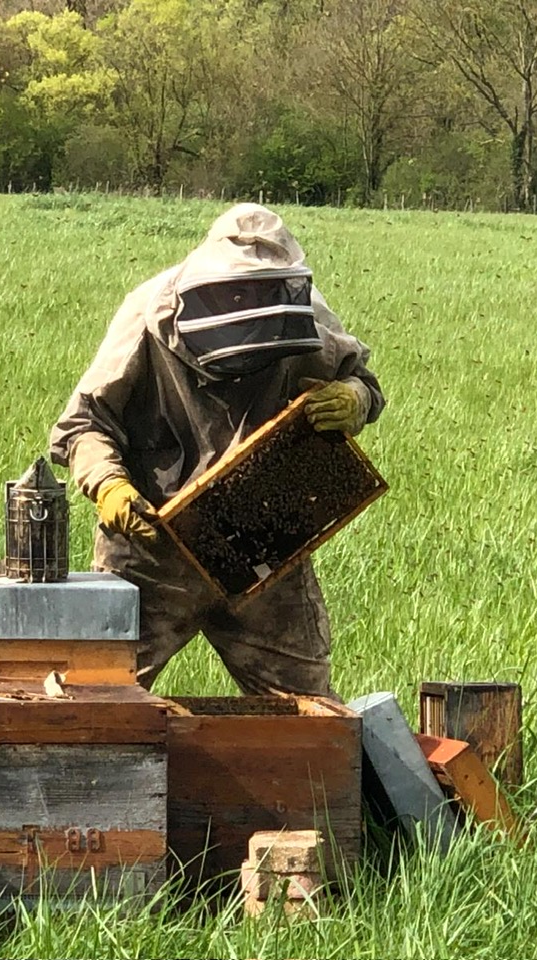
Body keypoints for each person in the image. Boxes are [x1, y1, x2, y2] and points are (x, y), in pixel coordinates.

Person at [49, 203, 384, 697]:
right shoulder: (148, 314)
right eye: (237, 295)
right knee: (101, 702)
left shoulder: (305, 318)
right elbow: (83, 422)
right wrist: (108, 484)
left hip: (265, 545)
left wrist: (354, 399)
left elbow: (364, 384)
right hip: (153, 547)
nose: (248, 310)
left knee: (306, 712)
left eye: (262, 295)